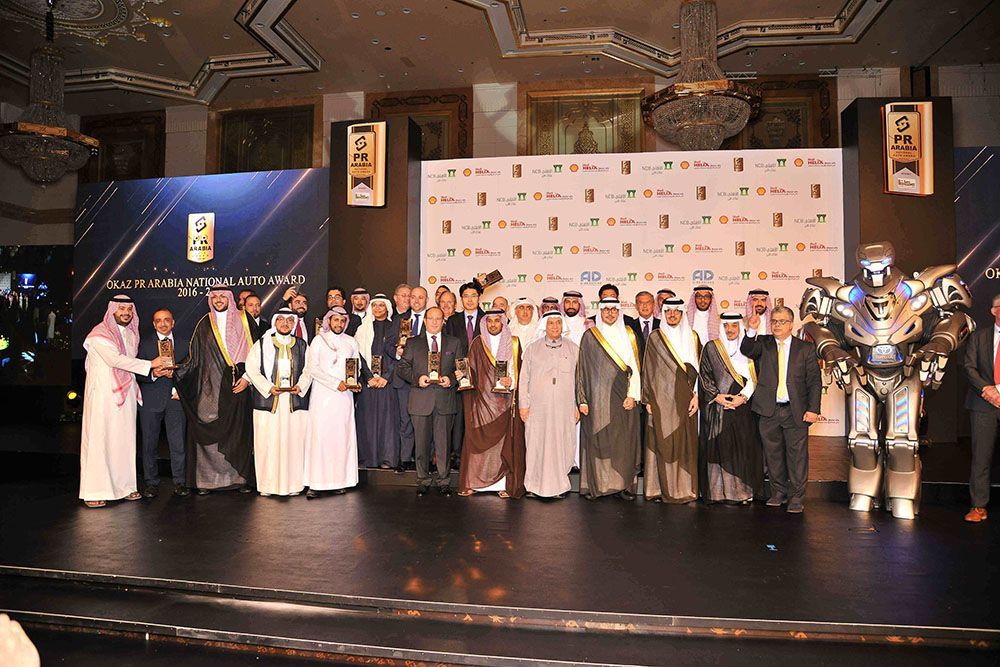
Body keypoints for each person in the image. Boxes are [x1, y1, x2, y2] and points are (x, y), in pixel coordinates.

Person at [80, 296, 169, 508]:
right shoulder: (98, 335)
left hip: (126, 393)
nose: (126, 313)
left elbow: (129, 364)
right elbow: (115, 360)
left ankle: (126, 487)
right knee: (100, 441)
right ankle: (95, 490)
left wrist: (153, 370)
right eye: (121, 309)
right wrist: (151, 363)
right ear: (112, 311)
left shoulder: (130, 334)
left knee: (125, 441)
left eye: (129, 309)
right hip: (103, 395)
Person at [174, 284, 255, 495]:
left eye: (222, 296)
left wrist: (247, 378)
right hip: (212, 385)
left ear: (230, 298)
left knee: (238, 432)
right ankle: (206, 482)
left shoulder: (244, 320)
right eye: (215, 296)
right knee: (208, 427)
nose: (219, 300)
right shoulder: (204, 323)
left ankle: (239, 479)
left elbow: (257, 355)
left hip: (239, 385)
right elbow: (194, 357)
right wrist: (175, 372)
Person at [741, 306, 822, 513]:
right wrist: (751, 330)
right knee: (773, 455)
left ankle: (796, 497)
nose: (777, 325)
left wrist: (813, 409)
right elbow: (747, 350)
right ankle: (778, 492)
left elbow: (814, 381)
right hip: (768, 410)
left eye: (782, 321)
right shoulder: (764, 343)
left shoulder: (805, 348)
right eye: (774, 321)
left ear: (791, 325)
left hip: (795, 411)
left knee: (797, 456)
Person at [575, 298, 641, 500]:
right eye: (606, 310)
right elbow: (582, 371)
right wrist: (582, 400)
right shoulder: (590, 336)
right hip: (596, 400)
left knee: (623, 442)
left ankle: (623, 486)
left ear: (619, 312)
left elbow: (636, 370)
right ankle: (599, 486)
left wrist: (634, 396)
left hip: (622, 398)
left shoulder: (629, 334)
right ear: (600, 312)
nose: (610, 313)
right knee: (598, 442)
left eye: (614, 310)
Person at [457, 309, 526, 498]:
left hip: (504, 403)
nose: (493, 324)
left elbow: (519, 370)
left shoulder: (514, 342)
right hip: (481, 404)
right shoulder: (477, 343)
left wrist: (511, 380)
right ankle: (475, 483)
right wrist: (462, 376)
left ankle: (503, 484)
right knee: (478, 441)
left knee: (503, 444)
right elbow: (471, 370)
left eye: (497, 321)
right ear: (485, 323)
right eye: (490, 321)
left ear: (503, 322)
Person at [245, 308, 312, 497]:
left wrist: (300, 386)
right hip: (269, 404)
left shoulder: (302, 345)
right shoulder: (261, 344)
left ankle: (293, 486)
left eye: (289, 321)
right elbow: (251, 369)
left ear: (293, 324)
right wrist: (268, 388)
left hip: (294, 403)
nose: (285, 324)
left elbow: (309, 370)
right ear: (275, 322)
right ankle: (268, 486)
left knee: (294, 445)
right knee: (268, 445)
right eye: (281, 320)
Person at [699, 313, 763, 504]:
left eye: (734, 326)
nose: (730, 330)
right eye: (726, 326)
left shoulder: (749, 350)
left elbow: (755, 378)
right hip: (717, 408)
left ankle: (741, 493)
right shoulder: (712, 347)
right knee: (720, 448)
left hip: (743, 407)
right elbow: (704, 376)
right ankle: (718, 493)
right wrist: (717, 397)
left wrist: (742, 398)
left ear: (740, 327)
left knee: (741, 450)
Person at [642, 297, 700, 503]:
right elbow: (648, 369)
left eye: (676, 311)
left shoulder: (693, 337)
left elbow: (699, 371)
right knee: (660, 441)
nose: (672, 315)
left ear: (682, 313)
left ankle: (684, 488)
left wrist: (697, 396)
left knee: (684, 443)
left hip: (685, 399)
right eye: (668, 312)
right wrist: (647, 399)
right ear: (664, 313)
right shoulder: (656, 337)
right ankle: (657, 488)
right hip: (660, 399)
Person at [397, 306, 460, 496]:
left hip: (444, 400)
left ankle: (444, 481)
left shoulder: (454, 343)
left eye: (438, 318)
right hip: (420, 400)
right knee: (422, 445)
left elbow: (462, 367)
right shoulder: (413, 343)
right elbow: (402, 367)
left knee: (443, 445)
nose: (434, 322)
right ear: (424, 321)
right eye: (430, 318)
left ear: (443, 321)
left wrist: (452, 379)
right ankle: (423, 480)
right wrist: (418, 378)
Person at [519, 311, 579, 498]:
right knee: (537, 444)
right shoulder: (532, 348)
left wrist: (578, 405)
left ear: (563, 326)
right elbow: (524, 379)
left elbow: (581, 380)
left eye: (558, 323)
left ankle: (559, 486)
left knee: (561, 444)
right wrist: (523, 404)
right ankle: (534, 486)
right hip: (538, 407)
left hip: (565, 407)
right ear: (545, 325)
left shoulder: (573, 348)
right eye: (551, 323)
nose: (554, 327)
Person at [303, 308, 360, 497]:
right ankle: (316, 483)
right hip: (322, 397)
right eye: (335, 320)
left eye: (342, 321)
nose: (339, 324)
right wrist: (336, 384)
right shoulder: (318, 340)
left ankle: (340, 480)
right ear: (329, 321)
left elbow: (355, 366)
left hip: (344, 399)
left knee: (341, 438)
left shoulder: (351, 342)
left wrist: (353, 383)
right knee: (320, 438)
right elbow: (313, 369)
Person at [136, 308, 188, 498]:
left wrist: (179, 388)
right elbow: (134, 370)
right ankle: (151, 482)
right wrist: (153, 374)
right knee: (149, 444)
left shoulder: (185, 344)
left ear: (173, 322)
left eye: (167, 320)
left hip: (176, 400)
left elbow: (192, 371)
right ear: (153, 324)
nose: (163, 323)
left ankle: (180, 481)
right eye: (159, 320)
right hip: (150, 400)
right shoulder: (142, 345)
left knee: (178, 443)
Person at [962, 293, 1000, 523]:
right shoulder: (979, 337)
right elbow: (969, 367)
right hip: (982, 404)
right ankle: (978, 506)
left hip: (993, 396)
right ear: (993, 310)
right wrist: (988, 390)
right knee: (981, 457)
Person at [355, 293, 400, 469]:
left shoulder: (394, 327)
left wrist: (386, 377)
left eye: (382, 305)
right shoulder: (363, 329)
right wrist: (368, 376)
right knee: (368, 420)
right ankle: (368, 459)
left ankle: (387, 459)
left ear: (387, 308)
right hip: (369, 383)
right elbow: (357, 354)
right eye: (375, 306)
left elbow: (399, 356)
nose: (378, 309)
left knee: (388, 422)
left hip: (387, 382)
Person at [392, 286, 428, 471]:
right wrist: (397, 353)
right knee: (405, 420)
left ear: (426, 300)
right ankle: (405, 459)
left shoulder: (433, 320)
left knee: (424, 421)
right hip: (403, 379)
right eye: (413, 297)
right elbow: (389, 345)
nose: (416, 301)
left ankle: (424, 460)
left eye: (420, 298)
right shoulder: (399, 319)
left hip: (425, 379)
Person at [446, 281, 485, 354]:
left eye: (473, 296)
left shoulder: (485, 319)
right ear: (461, 299)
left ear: (479, 298)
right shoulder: (452, 321)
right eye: (466, 296)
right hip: (459, 363)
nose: (470, 300)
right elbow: (449, 347)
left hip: (481, 363)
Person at [629, 290, 659, 361]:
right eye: (641, 303)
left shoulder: (662, 325)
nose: (645, 306)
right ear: (636, 306)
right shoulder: (629, 326)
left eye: (648, 302)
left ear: (654, 305)